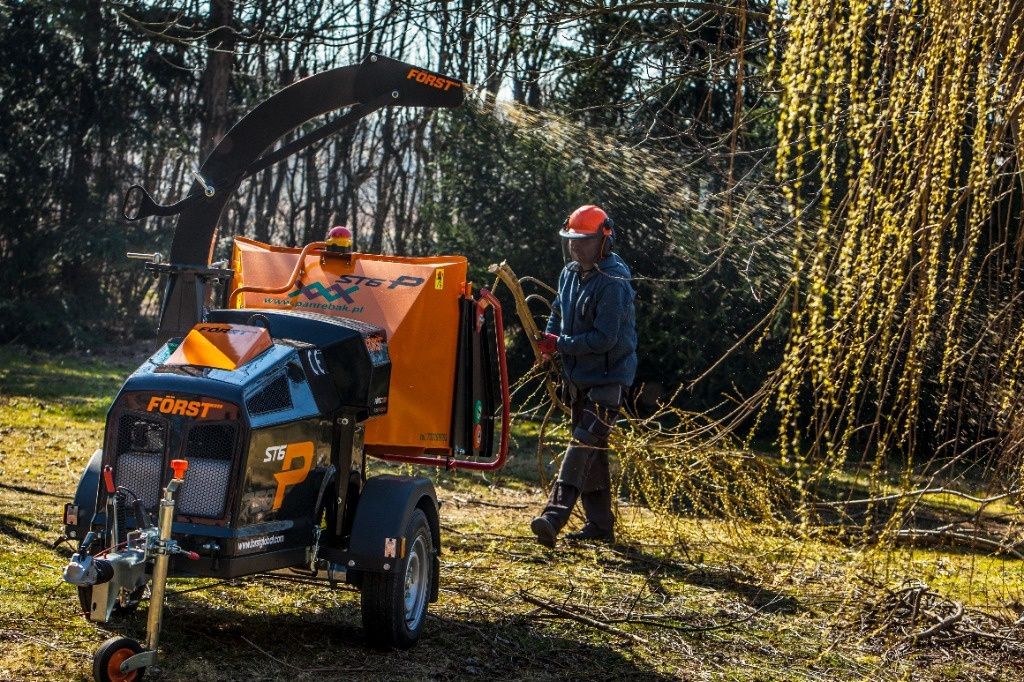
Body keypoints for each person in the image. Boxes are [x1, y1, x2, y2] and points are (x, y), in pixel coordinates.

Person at [530, 204, 637, 547]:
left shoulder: (614, 281)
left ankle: (553, 516)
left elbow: (605, 338)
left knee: (581, 445)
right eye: (571, 241)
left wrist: (561, 344)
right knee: (593, 454)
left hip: (608, 379)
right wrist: (548, 343)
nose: (575, 247)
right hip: (580, 379)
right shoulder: (569, 273)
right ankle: (601, 526)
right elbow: (557, 313)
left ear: (603, 241)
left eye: (583, 241)